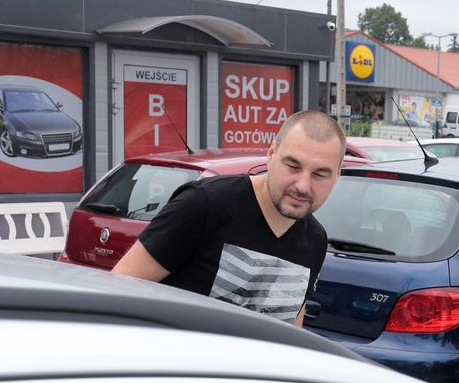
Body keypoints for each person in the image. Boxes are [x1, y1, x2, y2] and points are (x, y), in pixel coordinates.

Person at [112, 109, 345, 328]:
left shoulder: (315, 240)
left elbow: (293, 329)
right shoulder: (204, 204)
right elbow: (121, 290)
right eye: (293, 166)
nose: (303, 186)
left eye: (319, 174)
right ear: (271, 154)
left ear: (337, 174)